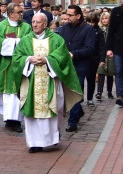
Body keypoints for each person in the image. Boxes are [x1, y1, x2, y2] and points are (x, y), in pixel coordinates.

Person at [12, 12, 83, 153]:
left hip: (50, 80)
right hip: (31, 81)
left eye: (38, 22)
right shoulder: (25, 40)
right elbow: (16, 58)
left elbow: (63, 57)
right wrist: (28, 60)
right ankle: (34, 143)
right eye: (33, 22)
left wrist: (47, 60)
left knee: (52, 109)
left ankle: (51, 139)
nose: (35, 24)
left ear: (45, 24)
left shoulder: (56, 39)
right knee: (31, 112)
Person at [56, 4, 102, 132]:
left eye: (70, 15)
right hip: (65, 66)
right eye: (66, 15)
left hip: (80, 66)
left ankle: (73, 122)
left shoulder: (88, 30)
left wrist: (74, 54)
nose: (67, 17)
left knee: (75, 93)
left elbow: (90, 49)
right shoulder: (64, 28)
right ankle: (79, 112)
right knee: (66, 94)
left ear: (78, 16)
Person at [0, 2, 32, 132]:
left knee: (18, 92)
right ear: (10, 14)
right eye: (19, 12)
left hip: (20, 64)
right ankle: (9, 119)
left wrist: (12, 41)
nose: (22, 14)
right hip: (5, 65)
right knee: (8, 93)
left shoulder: (26, 26)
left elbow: (29, 42)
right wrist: (17, 41)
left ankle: (16, 120)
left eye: (22, 12)